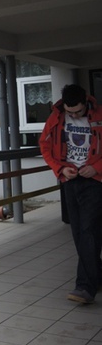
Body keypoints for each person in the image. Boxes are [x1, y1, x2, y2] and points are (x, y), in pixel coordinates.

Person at [40, 84, 102, 304]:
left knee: (87, 231)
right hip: (69, 180)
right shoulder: (56, 118)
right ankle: (97, 274)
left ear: (85, 102)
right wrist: (59, 169)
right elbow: (44, 145)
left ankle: (85, 287)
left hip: (94, 181)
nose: (74, 115)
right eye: (70, 112)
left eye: (78, 111)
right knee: (78, 232)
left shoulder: (99, 115)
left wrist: (97, 167)